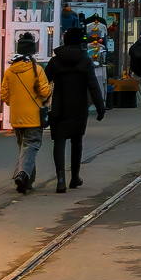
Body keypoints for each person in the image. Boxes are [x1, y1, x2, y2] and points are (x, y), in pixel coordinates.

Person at [45, 28, 106, 193]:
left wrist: (41, 104)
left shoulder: (55, 61)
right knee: (76, 142)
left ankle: (60, 179)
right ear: (80, 42)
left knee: (59, 141)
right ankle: (74, 177)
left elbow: (44, 83)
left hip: (59, 106)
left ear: (65, 41)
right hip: (79, 107)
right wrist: (100, 108)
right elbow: (93, 86)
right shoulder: (85, 61)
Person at [0, 32, 52, 193]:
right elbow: (44, 92)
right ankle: (21, 174)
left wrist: (15, 104)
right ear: (32, 50)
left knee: (24, 148)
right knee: (31, 146)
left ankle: (28, 181)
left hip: (16, 116)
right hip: (34, 116)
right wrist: (50, 89)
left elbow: (4, 95)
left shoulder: (10, 71)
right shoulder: (36, 70)